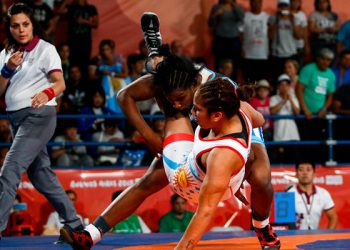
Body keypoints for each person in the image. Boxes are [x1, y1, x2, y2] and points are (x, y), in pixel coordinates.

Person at [60, 12, 280, 250]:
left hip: (233, 120)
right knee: (151, 177)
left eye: (181, 100)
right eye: (170, 99)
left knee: (261, 176)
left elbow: (255, 122)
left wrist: (239, 168)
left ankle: (263, 227)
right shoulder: (171, 81)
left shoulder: (225, 102)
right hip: (198, 108)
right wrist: (151, 138)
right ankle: (91, 234)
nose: (176, 104)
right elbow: (125, 96)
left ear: (195, 87)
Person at [0, 2, 82, 237]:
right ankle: (75, 224)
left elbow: (60, 83)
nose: (21, 29)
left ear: (32, 25)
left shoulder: (46, 49)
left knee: (10, 170)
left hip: (39, 116)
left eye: (25, 24)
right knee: (41, 175)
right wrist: (6, 70)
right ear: (10, 28)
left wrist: (45, 93)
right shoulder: (6, 53)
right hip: (17, 119)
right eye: (15, 26)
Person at [286, 162, 338, 229]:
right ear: (296, 174)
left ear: (314, 174)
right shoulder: (288, 194)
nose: (305, 173)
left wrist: (328, 236)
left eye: (308, 170)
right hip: (295, 237)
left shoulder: (323, 193)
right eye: (301, 170)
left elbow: (333, 217)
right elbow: (283, 223)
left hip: (316, 237)